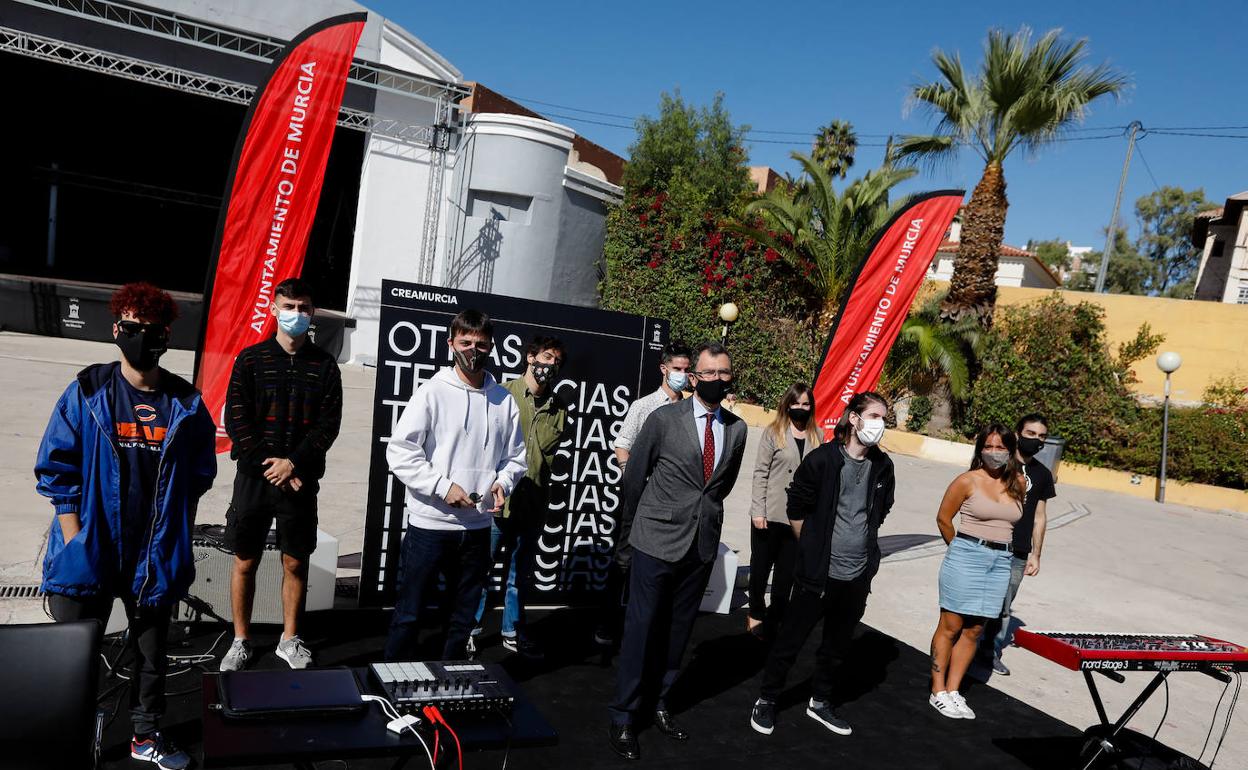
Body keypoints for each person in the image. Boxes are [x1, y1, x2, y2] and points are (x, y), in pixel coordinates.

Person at [35, 282, 216, 769]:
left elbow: (199, 476)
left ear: (165, 336)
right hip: (92, 547)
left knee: (151, 655)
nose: (141, 337)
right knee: (72, 655)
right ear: (117, 330)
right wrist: (76, 541)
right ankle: (65, 734)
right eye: (132, 327)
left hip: (152, 554)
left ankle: (145, 734)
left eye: (151, 330)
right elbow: (57, 468)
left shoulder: (186, 402)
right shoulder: (89, 389)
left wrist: (177, 533)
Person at [607, 342, 748, 761]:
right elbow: (635, 479)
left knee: (677, 634)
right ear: (693, 377)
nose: (717, 380)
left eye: (724, 373)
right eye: (709, 373)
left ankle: (661, 702)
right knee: (641, 630)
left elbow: (720, 487)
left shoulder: (737, 429)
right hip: (654, 542)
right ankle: (624, 716)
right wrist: (632, 533)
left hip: (699, 546)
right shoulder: (663, 419)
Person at [384, 309, 527, 661]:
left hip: (477, 529)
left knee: (461, 618)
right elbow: (401, 452)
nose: (473, 351)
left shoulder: (503, 400)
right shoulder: (432, 392)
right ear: (451, 344)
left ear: (491, 347)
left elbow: (516, 458)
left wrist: (503, 483)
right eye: (465, 343)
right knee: (410, 614)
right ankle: (388, 681)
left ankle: (448, 678)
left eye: (480, 344)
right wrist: (442, 486)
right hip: (429, 527)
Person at [749, 392, 895, 738]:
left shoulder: (883, 465)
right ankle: (768, 699)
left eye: (884, 419)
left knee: (837, 645)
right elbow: (795, 505)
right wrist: (812, 546)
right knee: (791, 639)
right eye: (874, 416)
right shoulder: (822, 460)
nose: (880, 424)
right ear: (854, 418)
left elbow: (882, 508)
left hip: (857, 574)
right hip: (818, 574)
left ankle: (820, 701)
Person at [220, 278, 343, 672]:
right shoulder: (251, 360)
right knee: (244, 560)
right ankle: (240, 639)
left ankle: (289, 639)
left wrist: (294, 463)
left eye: (303, 308)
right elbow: (237, 420)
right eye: (288, 306)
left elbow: (328, 425)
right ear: (274, 310)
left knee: (295, 562)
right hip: (256, 480)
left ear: (312, 313)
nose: (296, 314)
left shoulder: (324, 366)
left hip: (300, 482)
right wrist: (271, 466)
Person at [471, 336, 569, 659]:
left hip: (533, 505)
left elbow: (547, 461)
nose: (550, 366)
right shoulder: (502, 395)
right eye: (545, 357)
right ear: (530, 357)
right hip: (498, 504)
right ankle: (470, 631)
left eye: (556, 362)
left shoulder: (559, 410)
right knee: (481, 571)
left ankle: (512, 630)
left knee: (518, 574)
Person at [596, 342, 692, 647]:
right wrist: (631, 474)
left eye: (687, 369)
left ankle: (648, 628)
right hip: (639, 498)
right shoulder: (644, 406)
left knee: (660, 564)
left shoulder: (691, 411)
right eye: (677, 368)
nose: (683, 374)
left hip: (673, 502)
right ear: (664, 369)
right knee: (624, 559)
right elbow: (622, 443)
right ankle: (608, 625)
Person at [927, 424, 1025, 720]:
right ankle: (938, 690)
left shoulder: (1018, 482)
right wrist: (959, 550)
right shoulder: (966, 480)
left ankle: (955, 690)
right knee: (951, 625)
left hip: (1001, 560)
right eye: (989, 446)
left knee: (975, 629)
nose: (994, 453)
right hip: (967, 554)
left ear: (1010, 450)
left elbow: (1014, 521)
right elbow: (944, 519)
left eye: (1000, 447)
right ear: (980, 449)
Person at [978, 414, 1056, 675]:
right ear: (1019, 433)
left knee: (1003, 607)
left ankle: (990, 652)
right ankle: (962, 645)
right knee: (976, 598)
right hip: (989, 543)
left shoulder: (1043, 475)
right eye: (1031, 434)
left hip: (1019, 552)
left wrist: (1037, 554)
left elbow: (1040, 516)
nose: (1036, 440)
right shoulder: (1001, 464)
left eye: (1041, 436)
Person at [747, 383, 822, 639]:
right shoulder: (773, 432)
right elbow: (760, 473)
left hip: (798, 519)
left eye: (805, 404)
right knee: (760, 569)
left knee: (786, 574)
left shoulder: (817, 436)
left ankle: (777, 617)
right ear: (787, 404)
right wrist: (759, 510)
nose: (800, 408)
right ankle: (756, 612)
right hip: (769, 514)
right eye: (796, 403)